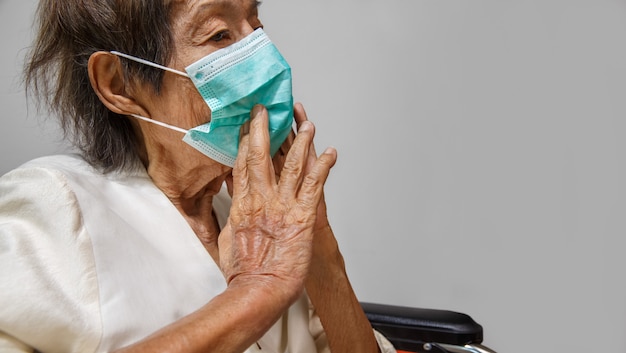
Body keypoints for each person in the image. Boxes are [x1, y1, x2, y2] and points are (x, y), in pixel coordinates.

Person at [0, 0, 396, 352]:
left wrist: (322, 256)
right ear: (118, 83)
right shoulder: (54, 207)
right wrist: (257, 291)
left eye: (256, 27)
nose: (263, 56)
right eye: (219, 34)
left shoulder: (267, 217)